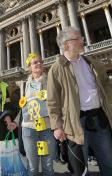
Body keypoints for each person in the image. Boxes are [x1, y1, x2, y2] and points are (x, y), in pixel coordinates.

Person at [47, 26, 112, 176]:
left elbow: (106, 83)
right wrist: (57, 126)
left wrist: (108, 102)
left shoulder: (91, 62)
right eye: (78, 38)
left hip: (99, 118)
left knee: (108, 161)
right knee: (80, 168)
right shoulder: (56, 69)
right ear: (66, 44)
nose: (83, 40)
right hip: (76, 123)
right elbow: (52, 100)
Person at [19, 53, 55, 176]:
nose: (38, 64)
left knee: (48, 166)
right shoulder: (24, 84)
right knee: (32, 167)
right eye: (35, 62)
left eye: (40, 61)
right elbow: (22, 106)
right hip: (29, 129)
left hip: (47, 128)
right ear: (29, 67)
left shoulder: (50, 80)